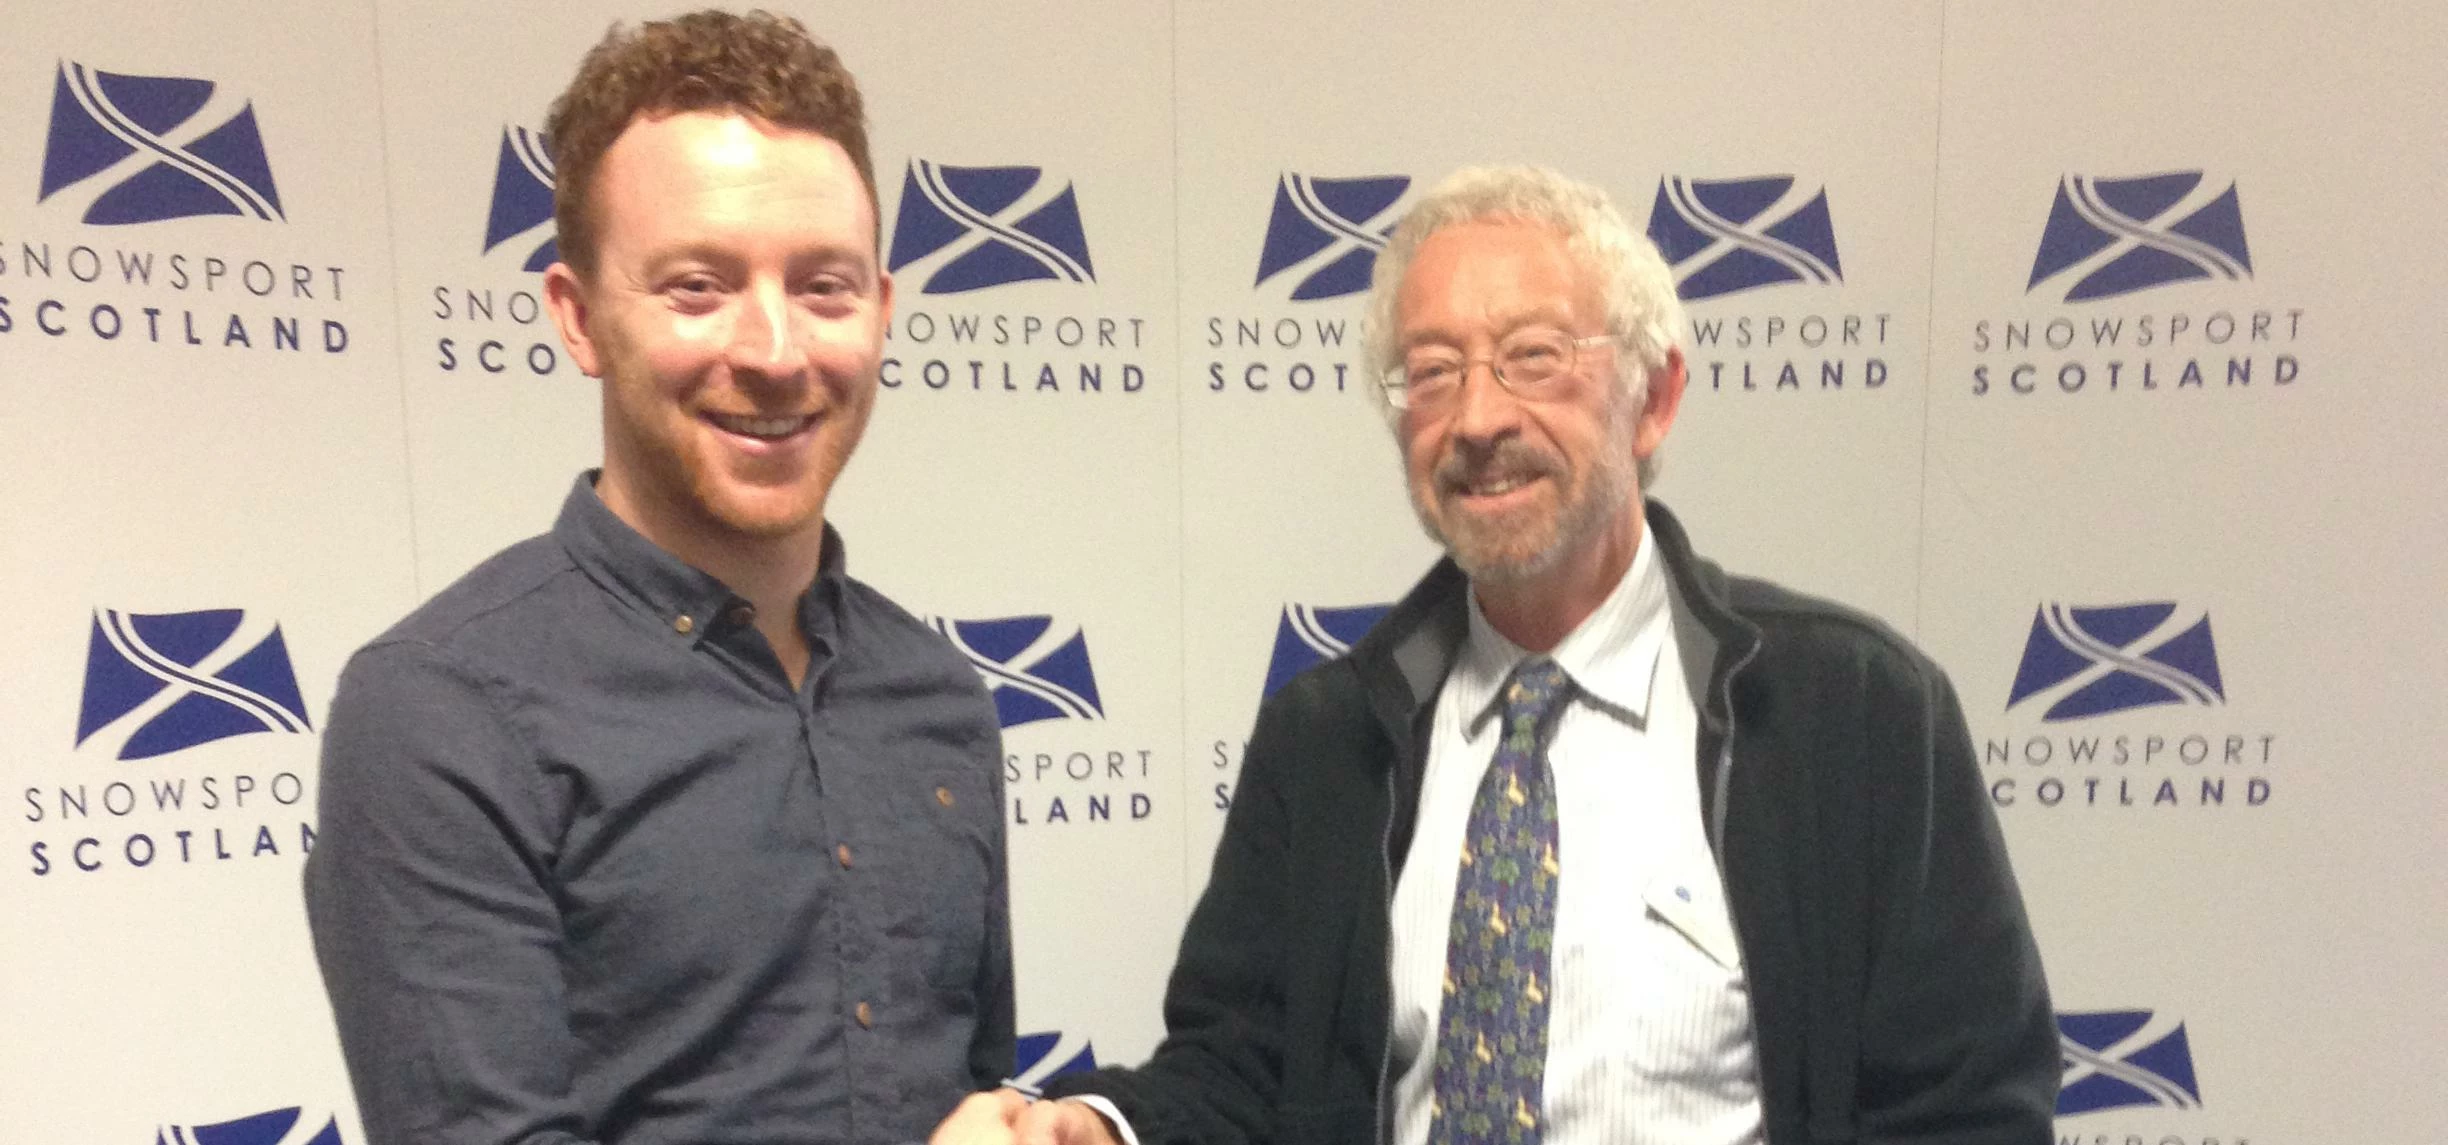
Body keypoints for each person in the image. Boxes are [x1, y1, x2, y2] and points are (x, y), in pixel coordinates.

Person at [937, 166, 2054, 1145]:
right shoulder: (1327, 739)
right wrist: (1104, 1126)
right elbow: (1241, 1068)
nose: (1477, 416)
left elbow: (1967, 1111)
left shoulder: (1854, 716)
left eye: (1532, 358)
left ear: (1652, 397)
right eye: (1431, 371)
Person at [304, 12, 1012, 1145]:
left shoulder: (937, 694)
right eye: (698, 285)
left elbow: (973, 1089)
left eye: (823, 286)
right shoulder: (439, 708)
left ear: (880, 311)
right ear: (580, 318)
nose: (776, 350)